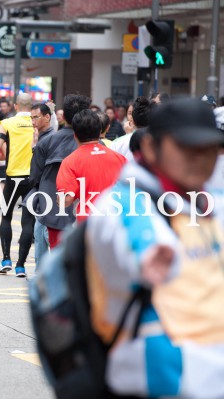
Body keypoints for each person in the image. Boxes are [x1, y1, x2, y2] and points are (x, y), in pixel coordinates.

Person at [86, 98, 224, 397]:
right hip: (161, 384)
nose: (200, 158)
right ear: (151, 148)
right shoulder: (124, 203)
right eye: (186, 147)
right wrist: (148, 256)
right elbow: (138, 237)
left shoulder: (207, 201)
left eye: (209, 149)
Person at [0, 93, 36, 277]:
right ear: (31, 107)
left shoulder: (6, 124)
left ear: (15, 106)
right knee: (28, 221)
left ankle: (6, 259)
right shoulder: (37, 123)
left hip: (12, 176)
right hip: (32, 179)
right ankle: (21, 266)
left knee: (6, 217)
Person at [30, 94, 90, 248]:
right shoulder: (96, 147)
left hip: (50, 209)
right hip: (86, 214)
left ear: (63, 116)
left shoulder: (45, 142)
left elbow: (34, 177)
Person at [56, 109, 127, 222]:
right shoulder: (120, 158)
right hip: (119, 221)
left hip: (88, 223)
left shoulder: (69, 162)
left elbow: (66, 201)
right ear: (100, 132)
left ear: (75, 135)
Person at [27, 103, 54, 265]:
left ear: (47, 117)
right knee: (40, 233)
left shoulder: (49, 138)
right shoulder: (41, 136)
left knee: (43, 233)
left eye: (36, 117)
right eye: (31, 118)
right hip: (43, 192)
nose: (33, 121)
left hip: (47, 193)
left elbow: (38, 170)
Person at [111, 96, 151, 161]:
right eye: (129, 113)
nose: (130, 117)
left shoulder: (116, 143)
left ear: (133, 119)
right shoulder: (162, 142)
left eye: (132, 113)